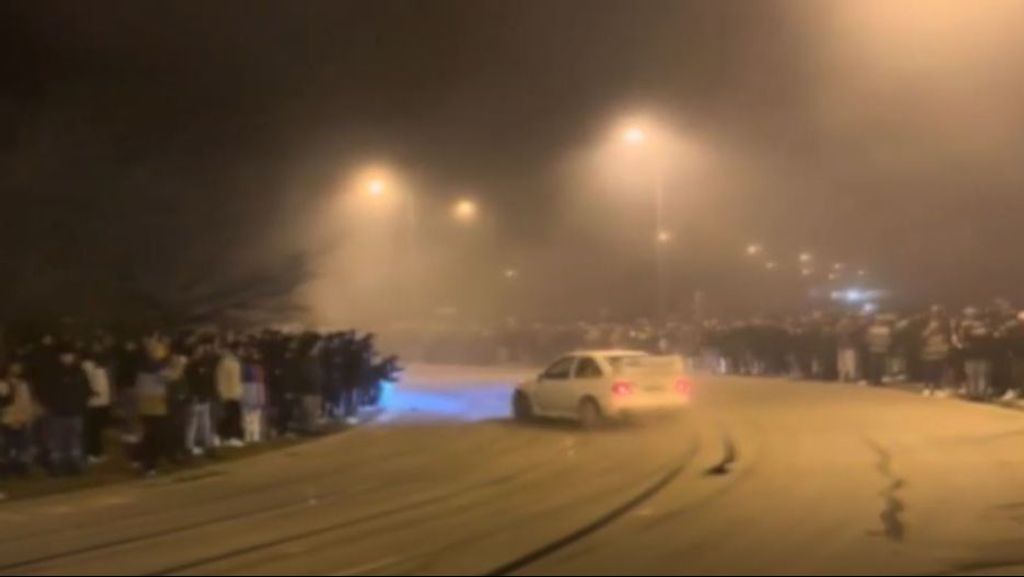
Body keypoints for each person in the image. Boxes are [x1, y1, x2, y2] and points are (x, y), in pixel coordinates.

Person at [39, 344, 91, 476]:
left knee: (75, 441)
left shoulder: (79, 371)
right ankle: (57, 466)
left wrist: (83, 402)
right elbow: (45, 391)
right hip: (58, 413)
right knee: (58, 442)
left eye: (70, 355)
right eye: (65, 355)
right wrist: (51, 405)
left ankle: (75, 465)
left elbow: (85, 389)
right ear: (60, 356)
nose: (68, 358)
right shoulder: (53, 372)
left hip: (75, 412)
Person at [136, 339, 179, 476]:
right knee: (157, 436)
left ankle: (145, 461)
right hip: (156, 404)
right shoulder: (157, 367)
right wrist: (178, 365)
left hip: (144, 404)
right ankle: (149, 464)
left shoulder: (143, 365)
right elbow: (172, 377)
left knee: (150, 434)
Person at [184, 340, 218, 456]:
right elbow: (190, 383)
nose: (201, 352)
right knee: (192, 424)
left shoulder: (202, 364)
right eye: (199, 350)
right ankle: (189, 447)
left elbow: (206, 381)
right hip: (195, 398)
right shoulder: (190, 366)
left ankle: (208, 446)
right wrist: (193, 395)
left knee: (205, 424)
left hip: (204, 397)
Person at [0, 362, 33, 477]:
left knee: (21, 446)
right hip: (7, 420)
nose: (16, 370)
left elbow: (26, 402)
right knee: (8, 446)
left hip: (21, 418)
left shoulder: (23, 384)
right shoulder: (3, 384)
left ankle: (21, 468)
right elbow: (5, 404)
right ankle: (6, 468)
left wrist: (26, 417)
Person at [956, 307, 995, 400]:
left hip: (979, 353)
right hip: (975, 353)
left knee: (978, 375)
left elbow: (962, 339)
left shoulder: (982, 325)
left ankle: (978, 394)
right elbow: (961, 339)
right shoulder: (966, 325)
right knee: (975, 375)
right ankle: (976, 394)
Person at [82, 348, 112, 463]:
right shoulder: (96, 370)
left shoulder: (92, 369)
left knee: (94, 430)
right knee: (94, 431)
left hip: (96, 403)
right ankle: (93, 453)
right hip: (98, 404)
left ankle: (95, 452)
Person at [216, 343, 244, 447]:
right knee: (229, 416)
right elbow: (220, 379)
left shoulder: (236, 362)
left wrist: (240, 391)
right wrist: (222, 393)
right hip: (228, 393)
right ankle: (227, 436)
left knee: (235, 416)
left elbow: (238, 378)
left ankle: (231, 436)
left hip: (235, 393)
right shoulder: (224, 362)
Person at [920, 312, 952, 397]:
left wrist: (946, 349)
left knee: (939, 371)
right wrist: (930, 330)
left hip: (940, 352)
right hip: (929, 352)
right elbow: (922, 338)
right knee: (929, 370)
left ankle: (938, 388)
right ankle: (926, 388)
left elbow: (948, 340)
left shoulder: (944, 329)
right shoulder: (926, 329)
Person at [241, 346, 267, 444]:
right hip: (256, 393)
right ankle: (255, 436)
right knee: (255, 417)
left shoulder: (243, 369)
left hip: (247, 393)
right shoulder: (259, 369)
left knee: (247, 417)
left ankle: (248, 436)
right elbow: (261, 384)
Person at [865, 315, 893, 386]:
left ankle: (874, 380)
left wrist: (872, 343)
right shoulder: (887, 330)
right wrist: (886, 345)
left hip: (873, 349)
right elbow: (889, 340)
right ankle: (879, 380)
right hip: (883, 349)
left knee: (874, 366)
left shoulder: (871, 329)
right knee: (881, 366)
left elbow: (868, 340)